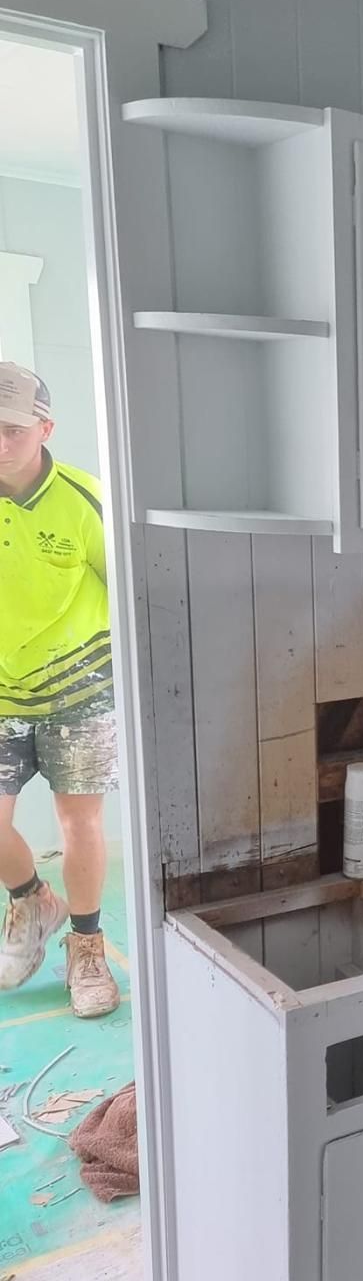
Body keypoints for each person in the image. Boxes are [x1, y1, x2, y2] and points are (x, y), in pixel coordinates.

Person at [0, 362, 120, 1019]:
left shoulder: (84, 500)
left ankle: (87, 946)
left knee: (79, 821)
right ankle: (31, 901)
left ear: (45, 429)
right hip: (2, 691)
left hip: (80, 688)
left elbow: (129, 591)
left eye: (13, 430)